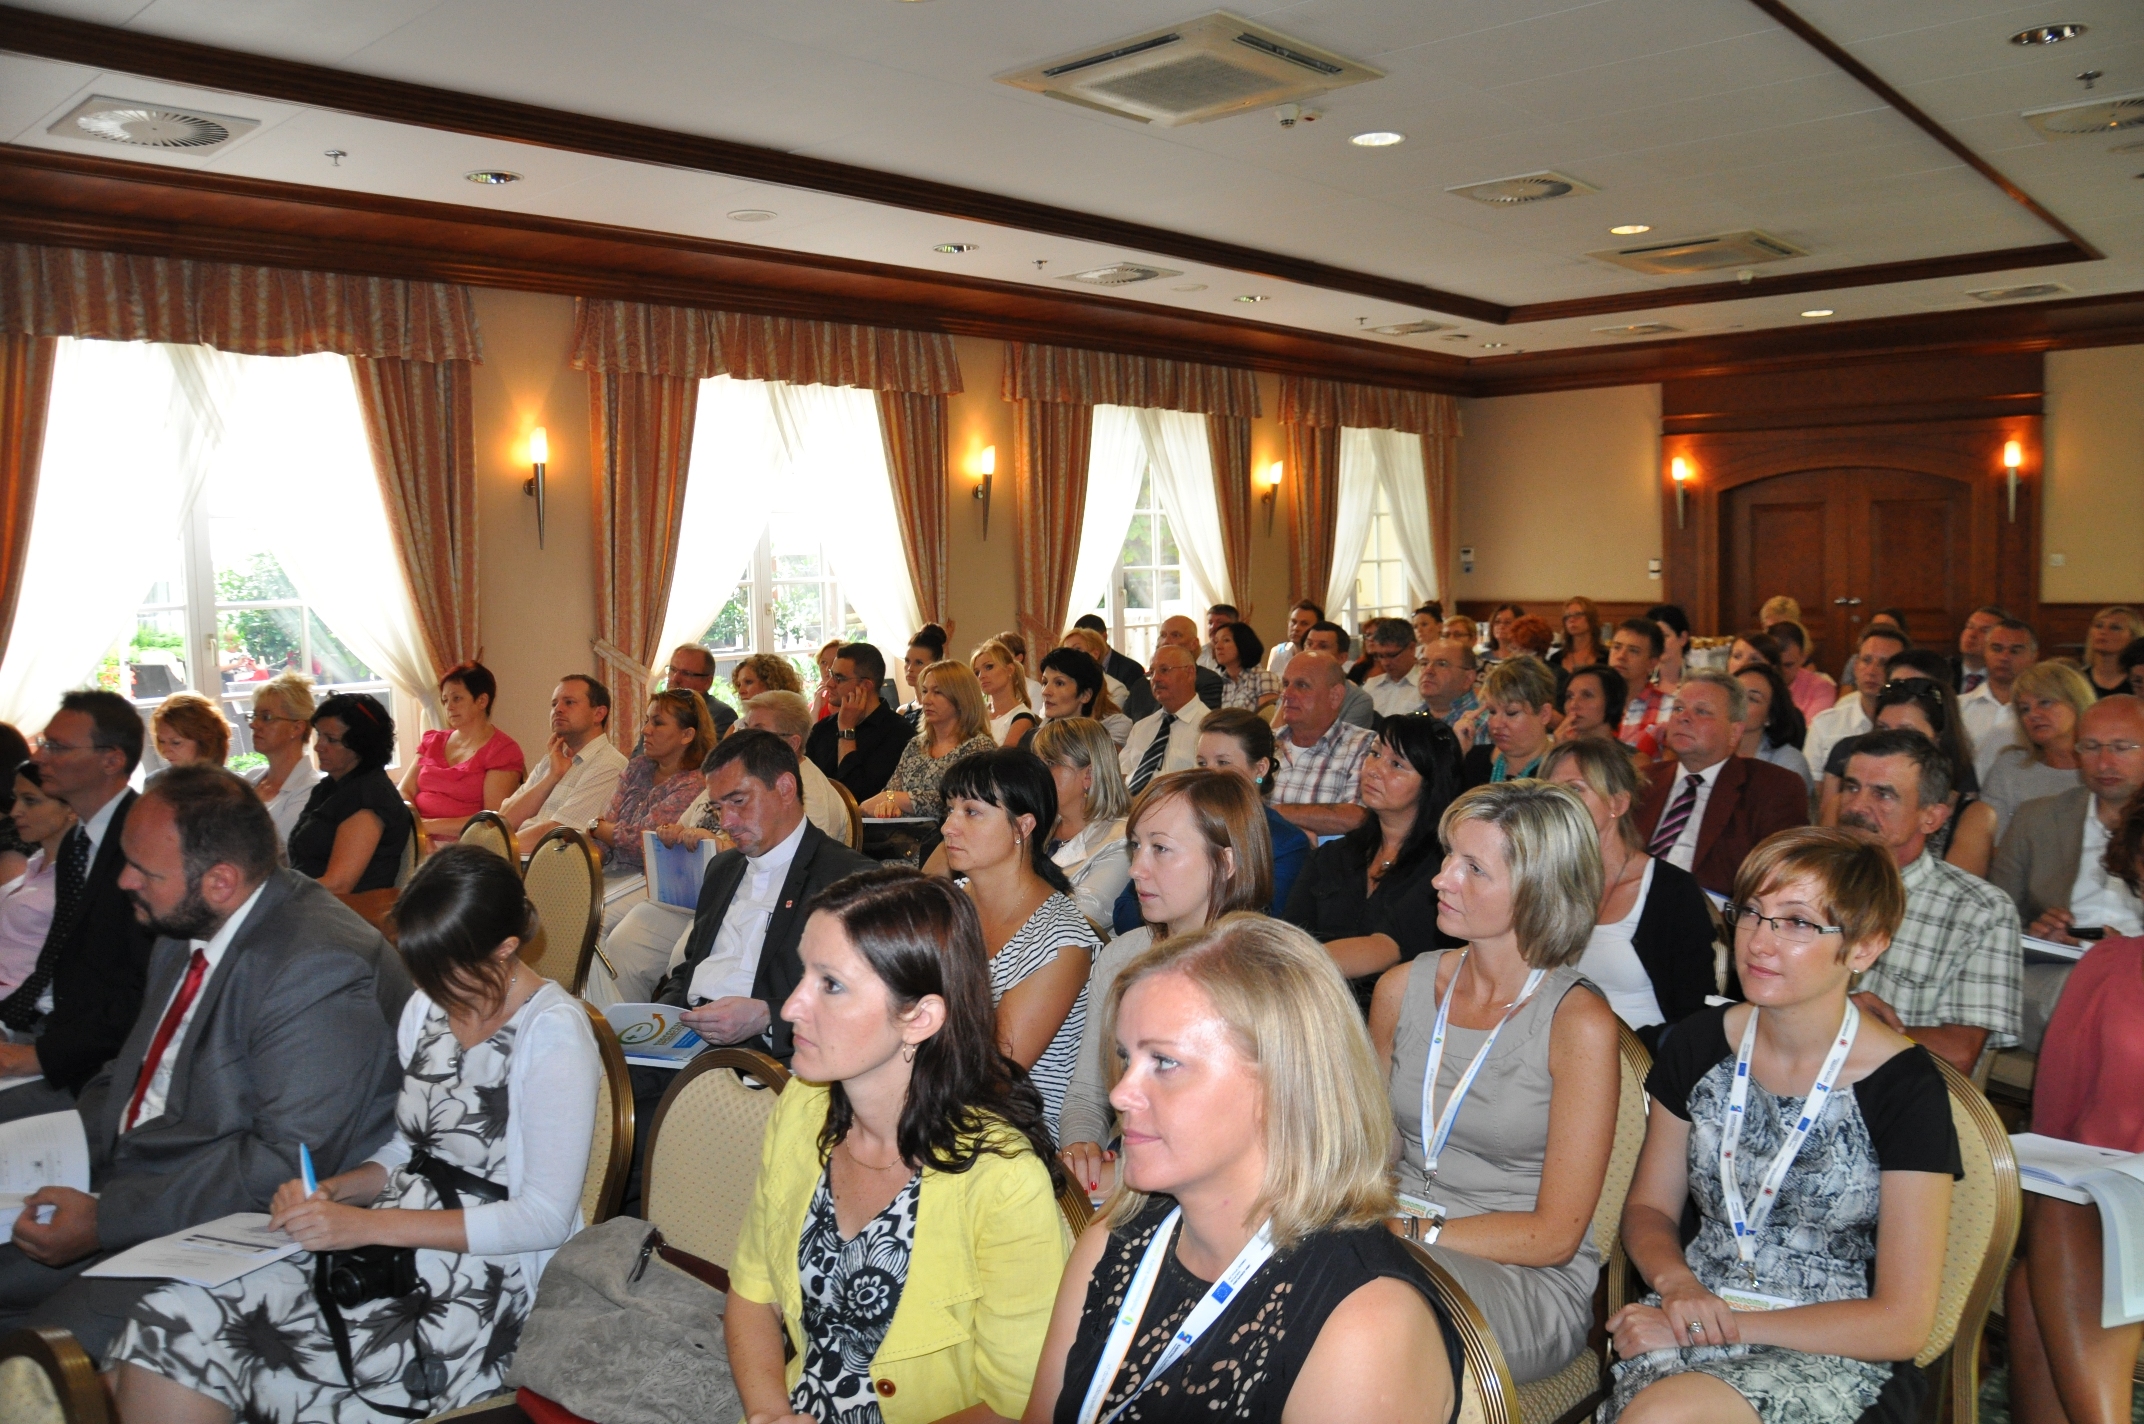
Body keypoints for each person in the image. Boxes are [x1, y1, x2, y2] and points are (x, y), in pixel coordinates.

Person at [108, 843, 592, 1423]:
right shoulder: (428, 1008)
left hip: (474, 1286)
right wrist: (334, 1191)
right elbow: (408, 1150)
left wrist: (362, 1226)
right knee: (172, 1318)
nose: (428, 985)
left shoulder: (553, 1032)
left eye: (442, 967)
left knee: (207, 1346)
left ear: (505, 948)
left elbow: (541, 1219)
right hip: (385, 1248)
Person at [0, 765, 410, 1357]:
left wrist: (106, 1220)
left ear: (220, 881)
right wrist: (57, 1155)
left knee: (41, 1355)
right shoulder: (188, 920)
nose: (123, 881)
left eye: (143, 870)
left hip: (244, 1225)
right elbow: (135, 1072)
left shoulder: (318, 966)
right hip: (148, 1177)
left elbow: (283, 1165)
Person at [1026, 916, 1460, 1424]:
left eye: (1164, 1062)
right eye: (1127, 1058)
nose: (1121, 1093)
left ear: (1281, 1082)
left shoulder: (1365, 1323)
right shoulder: (1114, 1237)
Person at [1601, 827, 1961, 1424]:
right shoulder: (1699, 1044)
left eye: (1797, 923)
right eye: (1751, 913)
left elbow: (1902, 1322)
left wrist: (1714, 1326)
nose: (1760, 942)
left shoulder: (1904, 1087)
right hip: (1691, 1311)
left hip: (1835, 1350)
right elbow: (1649, 1208)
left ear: (1865, 947)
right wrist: (1677, 1284)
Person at [728, 870, 1070, 1424]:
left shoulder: (1003, 1181)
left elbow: (1022, 1405)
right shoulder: (804, 1105)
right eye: (803, 972)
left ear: (919, 1018)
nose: (790, 1007)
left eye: (831, 985)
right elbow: (752, 1290)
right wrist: (769, 1414)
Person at [1369, 779, 1623, 1386]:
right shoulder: (1400, 989)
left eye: (1473, 868)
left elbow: (1555, 1235)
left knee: (1373, 1297)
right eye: (1449, 857)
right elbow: (1372, 1153)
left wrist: (1407, 1233)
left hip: (1522, 1277)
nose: (1442, 878)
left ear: (1539, 890)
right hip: (1391, 1239)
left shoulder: (1577, 1023)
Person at [1057, 769, 1274, 1192]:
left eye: (1160, 848)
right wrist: (1082, 1146)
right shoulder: (1123, 955)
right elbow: (1086, 1093)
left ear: (1225, 862)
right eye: (1136, 846)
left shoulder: (1271, 973)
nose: (1137, 869)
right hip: (1133, 1168)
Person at [2002, 788, 2144, 1424]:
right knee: (2058, 1218)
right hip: (2104, 1210)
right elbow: (2055, 1129)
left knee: (2044, 1273)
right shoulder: (2109, 966)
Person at [644, 732, 875, 1055]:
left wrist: (767, 1018)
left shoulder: (849, 879)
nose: (726, 822)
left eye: (738, 801)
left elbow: (860, 999)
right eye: (717, 807)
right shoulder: (722, 868)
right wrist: (659, 1025)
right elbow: (689, 968)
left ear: (785, 788)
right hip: (687, 1038)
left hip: (765, 1053)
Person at [0, 694, 158, 1121]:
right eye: (43, 744)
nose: (39, 757)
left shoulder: (144, 842)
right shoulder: (76, 841)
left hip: (110, 1061)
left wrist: (39, 1056)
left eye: (56, 747)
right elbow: (58, 961)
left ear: (111, 760)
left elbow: (143, 989)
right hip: (55, 1030)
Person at [1838, 729, 2022, 1076]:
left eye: (1883, 794)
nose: (1856, 806)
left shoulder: (1979, 911)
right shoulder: (1805, 881)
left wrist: (1844, 1028)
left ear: (1932, 817)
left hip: (1895, 1094)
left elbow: (1959, 1053)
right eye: (1851, 787)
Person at [938, 749, 1098, 1128]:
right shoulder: (949, 904)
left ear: (1023, 826)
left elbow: (994, 1077)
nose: (948, 827)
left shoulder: (1060, 942)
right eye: (950, 809)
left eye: (971, 812)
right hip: (939, 1099)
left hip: (1012, 1132)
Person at [1542, 740, 1718, 1045]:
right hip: (1552, 1049)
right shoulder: (1544, 881)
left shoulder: (1671, 891)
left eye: (1575, 789)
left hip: (1641, 1057)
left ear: (1618, 804)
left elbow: (1694, 1014)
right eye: (1550, 791)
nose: (1557, 802)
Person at [1992, 697, 2144, 1049]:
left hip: (2134, 974)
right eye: (2090, 747)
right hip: (2059, 972)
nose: (2104, 762)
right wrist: (2038, 934)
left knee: (2106, 999)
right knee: (2074, 994)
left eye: (2121, 748)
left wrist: (2120, 951)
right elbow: (1995, 919)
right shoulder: (2037, 818)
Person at [1287, 715, 1464, 1009]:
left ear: (1429, 783)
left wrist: (1291, 968)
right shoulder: (1334, 855)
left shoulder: (1443, 866)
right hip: (1312, 1001)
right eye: (1375, 754)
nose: (1374, 769)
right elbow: (1291, 932)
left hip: (1399, 1013)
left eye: (1397, 765)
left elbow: (1386, 948)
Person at [1633, 671, 1810, 899]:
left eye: (1702, 711)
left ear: (1734, 732)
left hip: (1712, 912)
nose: (1683, 717)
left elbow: (1781, 878)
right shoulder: (1643, 781)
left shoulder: (1772, 787)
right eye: (1678, 708)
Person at [1820, 678, 1997, 877]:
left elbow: (1955, 889)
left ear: (1938, 740)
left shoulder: (1972, 815)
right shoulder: (1844, 804)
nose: (1891, 741)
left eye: (1907, 733)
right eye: (1882, 729)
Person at [286, 693, 409, 896]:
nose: (318, 746)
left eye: (331, 739)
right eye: (319, 735)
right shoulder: (329, 787)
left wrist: (276, 897)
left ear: (360, 747)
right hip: (312, 902)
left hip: (344, 910)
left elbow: (338, 885)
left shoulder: (370, 798)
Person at [496, 673, 628, 854]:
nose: (558, 709)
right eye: (554, 704)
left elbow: (559, 833)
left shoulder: (609, 765)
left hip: (549, 862)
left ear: (598, 714)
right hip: (514, 855)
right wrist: (552, 776)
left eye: (569, 702)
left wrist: (493, 851)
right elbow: (505, 819)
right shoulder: (552, 760)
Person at [1197, 709, 1310, 918]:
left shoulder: (1287, 843)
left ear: (1260, 768)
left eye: (1223, 762)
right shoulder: (1181, 823)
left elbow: (1264, 923)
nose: (1208, 774)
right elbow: (1134, 904)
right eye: (1202, 763)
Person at [588, 688, 713, 876]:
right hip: (612, 874)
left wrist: (597, 827)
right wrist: (590, 859)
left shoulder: (695, 784)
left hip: (653, 879)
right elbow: (607, 829)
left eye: (658, 723)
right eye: (647, 721)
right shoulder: (638, 767)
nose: (645, 730)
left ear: (687, 735)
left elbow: (645, 843)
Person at [400, 661, 526, 846]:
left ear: (482, 701)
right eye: (445, 700)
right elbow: (404, 791)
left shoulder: (502, 751)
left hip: (467, 845)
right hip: (417, 839)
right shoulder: (433, 741)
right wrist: (420, 833)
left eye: (457, 698)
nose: (449, 707)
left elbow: (491, 820)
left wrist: (428, 827)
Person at [859, 660, 996, 821]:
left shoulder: (979, 747)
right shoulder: (916, 745)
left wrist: (898, 799)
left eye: (937, 692)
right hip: (909, 833)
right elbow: (890, 793)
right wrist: (888, 806)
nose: (926, 700)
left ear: (961, 699)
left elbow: (961, 802)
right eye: (924, 691)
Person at [1032, 718, 1131, 932]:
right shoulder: (1033, 826)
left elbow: (1078, 922)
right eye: (1036, 763)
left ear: (1089, 775)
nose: (1036, 774)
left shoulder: (1122, 841)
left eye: (1050, 763)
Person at [1271, 651, 1378, 836]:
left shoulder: (1363, 744)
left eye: (1302, 685)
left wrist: (1273, 814)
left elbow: (1358, 817)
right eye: (1286, 684)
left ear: (1335, 696)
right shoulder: (1266, 742)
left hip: (1327, 854)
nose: (1286, 694)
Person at [1984, 660, 2096, 835]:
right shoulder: (2010, 768)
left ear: (2075, 701)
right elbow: (1992, 839)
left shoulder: (2103, 766)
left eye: (2045, 702)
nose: (2033, 715)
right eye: (2025, 709)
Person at [802, 641, 912, 803]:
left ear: (865, 685)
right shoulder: (823, 728)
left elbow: (855, 797)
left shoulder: (898, 733)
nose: (829, 684)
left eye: (839, 678)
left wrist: (846, 731)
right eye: (831, 674)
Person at [0, 763, 74, 998]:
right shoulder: (36, 862)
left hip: (24, 1005)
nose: (15, 811)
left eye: (30, 801)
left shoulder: (76, 877)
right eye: (16, 799)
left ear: (71, 807)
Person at [1804, 625, 1910, 774]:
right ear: (1855, 667)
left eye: (1884, 664)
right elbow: (1811, 786)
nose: (1871, 671)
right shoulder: (1825, 725)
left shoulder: (1911, 728)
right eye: (1866, 660)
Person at [239, 674, 322, 844]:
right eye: (254, 715)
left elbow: (274, 847)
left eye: (266, 717)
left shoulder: (311, 790)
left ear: (297, 728)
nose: (254, 724)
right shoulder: (250, 778)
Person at [1117, 645, 1210, 798]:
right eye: (1152, 672)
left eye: (1164, 670)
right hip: (1130, 806)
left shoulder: (1208, 728)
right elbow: (1121, 775)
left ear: (1190, 673)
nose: (1156, 678)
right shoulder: (1142, 727)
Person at [1460, 655, 1558, 788]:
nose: (1496, 724)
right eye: (1492, 711)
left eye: (1511, 713)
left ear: (1544, 714)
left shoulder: (1564, 771)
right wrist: (1458, 752)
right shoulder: (1472, 760)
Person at [1960, 618, 2037, 778]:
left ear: (2033, 656)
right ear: (1985, 652)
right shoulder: (1958, 707)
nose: (2004, 657)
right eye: (1996, 649)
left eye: (2015, 651)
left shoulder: (2039, 714)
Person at [1032, 645, 1133, 749]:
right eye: (1045, 683)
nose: (1045, 692)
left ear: (1085, 695)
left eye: (1059, 683)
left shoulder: (1115, 725)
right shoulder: (1044, 727)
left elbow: (1102, 756)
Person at [1734, 662, 1813, 790]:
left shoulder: (1788, 763)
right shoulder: (1707, 748)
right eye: (1735, 694)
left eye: (1752, 699)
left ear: (1770, 716)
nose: (1739, 703)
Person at [1608, 618, 1673, 754]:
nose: (1621, 656)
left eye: (1633, 651)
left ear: (1652, 663)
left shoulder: (1670, 709)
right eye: (1617, 647)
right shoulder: (1593, 703)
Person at [1073, 613, 1156, 720]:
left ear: (1104, 637)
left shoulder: (1131, 670)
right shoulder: (1070, 676)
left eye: (1078, 649)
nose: (1071, 655)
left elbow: (1134, 712)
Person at [1299, 622, 1378, 729]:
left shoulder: (1358, 701)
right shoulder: (1292, 689)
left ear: (1341, 658)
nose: (1312, 651)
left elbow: (1342, 739)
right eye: (1309, 644)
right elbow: (1277, 733)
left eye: (1323, 646)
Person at [974, 636, 1041, 747]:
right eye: (977, 672)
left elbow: (1004, 757)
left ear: (1009, 669)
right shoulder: (977, 716)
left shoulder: (1022, 717)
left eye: (989, 667)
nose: (981, 676)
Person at [1770, 619, 1838, 727]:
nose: (1781, 671)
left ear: (1803, 658)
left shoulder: (1822, 688)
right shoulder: (1752, 685)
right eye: (1774, 664)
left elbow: (1811, 732)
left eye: (1788, 665)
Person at [1213, 620, 1282, 715]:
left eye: (1226, 640)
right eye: (1216, 642)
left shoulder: (1263, 677)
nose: (1218, 646)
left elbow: (1268, 718)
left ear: (1243, 643)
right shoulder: (1218, 681)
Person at [1362, 617, 1424, 718]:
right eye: (1380, 656)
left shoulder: (1426, 686)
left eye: (1392, 655)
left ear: (1412, 648)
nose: (1385, 662)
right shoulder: (1370, 686)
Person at [2079, 606, 2144, 699]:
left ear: (2133, 636)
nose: (2103, 631)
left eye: (2115, 628)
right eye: (2098, 626)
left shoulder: (2139, 681)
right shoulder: (2078, 679)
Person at [151, 693, 229, 769]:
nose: (165, 751)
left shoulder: (227, 779)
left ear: (205, 742)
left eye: (176, 742)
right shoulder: (159, 778)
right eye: (161, 741)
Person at [1418, 638, 1480, 732]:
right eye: (1424, 663)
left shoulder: (1485, 725)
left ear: (1468, 678)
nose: (1428, 670)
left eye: (1442, 664)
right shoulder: (1412, 719)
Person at [1555, 664, 1627, 747]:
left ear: (1612, 700)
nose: (1573, 704)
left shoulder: (1632, 755)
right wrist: (1560, 750)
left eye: (1587, 695)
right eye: (1569, 696)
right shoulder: (1560, 746)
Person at [896, 623, 950, 730]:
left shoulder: (944, 710)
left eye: (919, 663)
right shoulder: (901, 712)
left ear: (936, 664)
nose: (910, 668)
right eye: (907, 661)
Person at [1948, 606, 2006, 694]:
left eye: (1984, 630)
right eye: (1970, 627)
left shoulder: (2006, 678)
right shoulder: (1941, 671)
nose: (1972, 635)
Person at [1266, 598, 1323, 675]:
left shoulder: (1322, 658)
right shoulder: (1278, 655)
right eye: (1293, 622)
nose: (1296, 628)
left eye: (1304, 624)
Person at [1648, 603, 1693, 698]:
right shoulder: (1641, 680)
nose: (1658, 642)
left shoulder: (1697, 681)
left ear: (1682, 638)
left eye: (1665, 636)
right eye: (1654, 637)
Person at [1554, 596, 1606, 674]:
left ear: (1591, 618)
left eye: (1578, 614)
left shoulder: (1606, 656)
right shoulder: (1555, 658)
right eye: (1567, 616)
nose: (1571, 619)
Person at [732, 651, 803, 703]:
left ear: (772, 683)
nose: (741, 691)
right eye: (739, 684)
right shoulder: (749, 718)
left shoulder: (793, 718)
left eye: (748, 682)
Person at [809, 637, 843, 721]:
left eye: (834, 661)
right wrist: (815, 711)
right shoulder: (815, 706)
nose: (828, 668)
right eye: (823, 662)